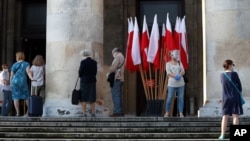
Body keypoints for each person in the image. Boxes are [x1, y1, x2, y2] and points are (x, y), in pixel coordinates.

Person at [218, 59, 243, 139]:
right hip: (235, 97)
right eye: (232, 65)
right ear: (229, 65)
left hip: (225, 98)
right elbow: (239, 87)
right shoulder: (234, 74)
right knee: (235, 116)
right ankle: (236, 135)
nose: (233, 67)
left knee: (225, 116)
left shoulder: (221, 75)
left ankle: (222, 135)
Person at [10, 51, 33, 116]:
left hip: (15, 82)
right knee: (26, 97)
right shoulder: (26, 64)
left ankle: (17, 112)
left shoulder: (14, 65)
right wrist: (31, 78)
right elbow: (28, 72)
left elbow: (11, 75)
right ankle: (28, 112)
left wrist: (10, 84)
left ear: (17, 57)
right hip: (22, 82)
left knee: (15, 97)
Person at [164, 50, 185, 118]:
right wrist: (175, 76)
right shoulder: (168, 64)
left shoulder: (179, 62)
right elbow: (168, 73)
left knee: (181, 98)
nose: (174, 56)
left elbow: (183, 71)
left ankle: (181, 113)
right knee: (170, 98)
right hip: (172, 84)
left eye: (175, 54)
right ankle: (167, 112)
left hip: (180, 83)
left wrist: (179, 75)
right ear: (170, 55)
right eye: (172, 54)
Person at [78, 49, 97, 117]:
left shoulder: (83, 62)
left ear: (84, 55)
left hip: (84, 81)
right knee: (92, 96)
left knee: (84, 97)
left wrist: (82, 75)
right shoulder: (94, 62)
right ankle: (93, 113)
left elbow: (80, 72)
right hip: (92, 80)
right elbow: (95, 72)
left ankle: (84, 113)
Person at [107, 47, 125, 117]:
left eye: (113, 53)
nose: (113, 55)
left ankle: (117, 111)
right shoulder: (123, 57)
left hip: (117, 78)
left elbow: (113, 68)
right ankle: (120, 111)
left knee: (116, 95)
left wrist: (108, 72)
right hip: (121, 78)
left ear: (116, 52)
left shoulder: (118, 57)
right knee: (119, 96)